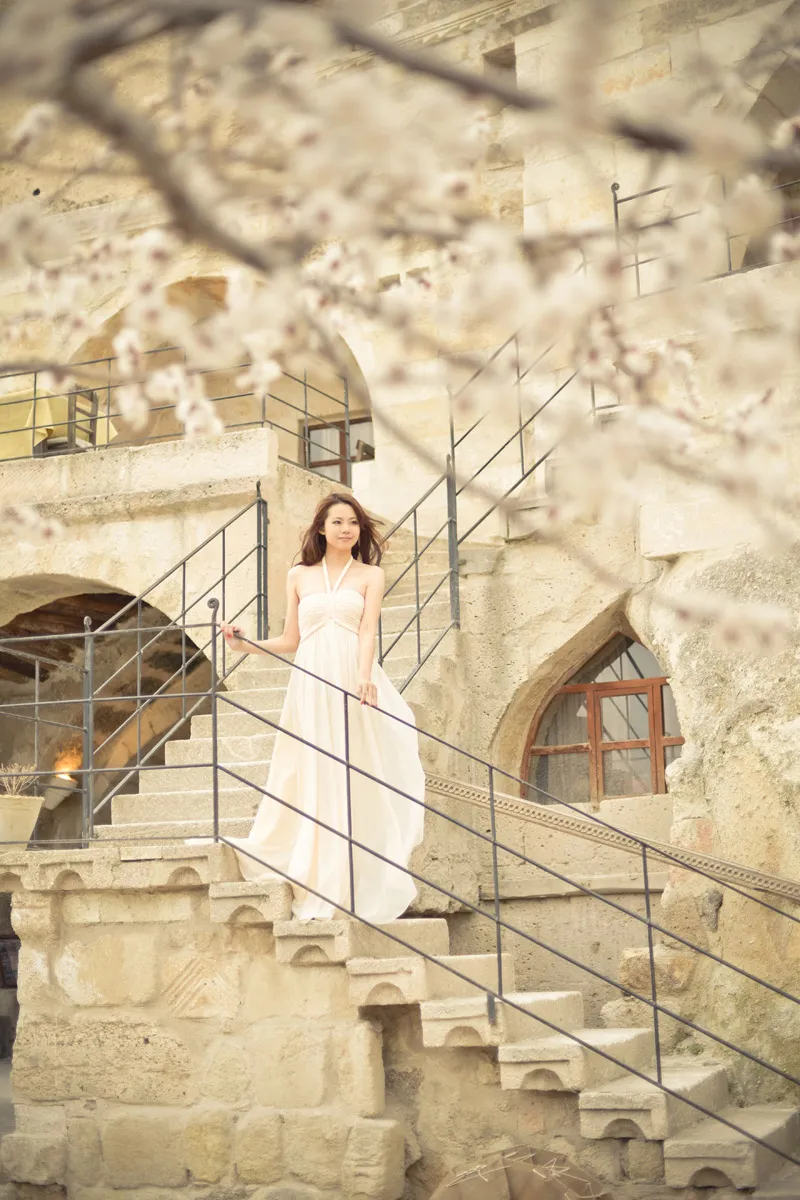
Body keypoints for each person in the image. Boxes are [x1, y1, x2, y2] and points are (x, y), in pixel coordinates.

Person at [220, 493, 426, 922]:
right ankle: (314, 866)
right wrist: (244, 643)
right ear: (321, 528)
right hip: (311, 681)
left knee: (354, 769)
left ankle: (353, 871)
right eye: (337, 522)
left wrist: (365, 675)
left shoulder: (371, 574)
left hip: (352, 676)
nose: (346, 529)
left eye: (353, 522)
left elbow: (368, 629)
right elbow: (290, 641)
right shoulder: (298, 575)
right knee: (313, 765)